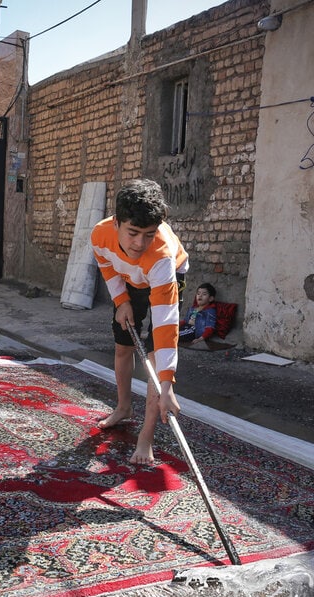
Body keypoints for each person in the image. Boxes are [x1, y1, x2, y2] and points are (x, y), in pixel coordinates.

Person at [91, 178, 189, 465]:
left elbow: (165, 325)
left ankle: (146, 436)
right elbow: (107, 265)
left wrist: (167, 385)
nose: (139, 243)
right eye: (132, 232)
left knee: (154, 354)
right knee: (123, 346)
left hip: (163, 279)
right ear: (116, 224)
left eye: (149, 234)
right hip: (129, 280)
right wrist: (121, 301)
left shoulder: (160, 258)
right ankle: (123, 408)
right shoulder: (100, 234)